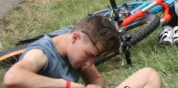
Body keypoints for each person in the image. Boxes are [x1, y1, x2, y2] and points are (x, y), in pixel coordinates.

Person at [3, 15, 161, 88]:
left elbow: (97, 80)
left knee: (148, 75)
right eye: (90, 55)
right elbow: (12, 77)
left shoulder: (77, 50)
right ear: (75, 38)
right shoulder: (41, 53)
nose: (90, 62)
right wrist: (66, 86)